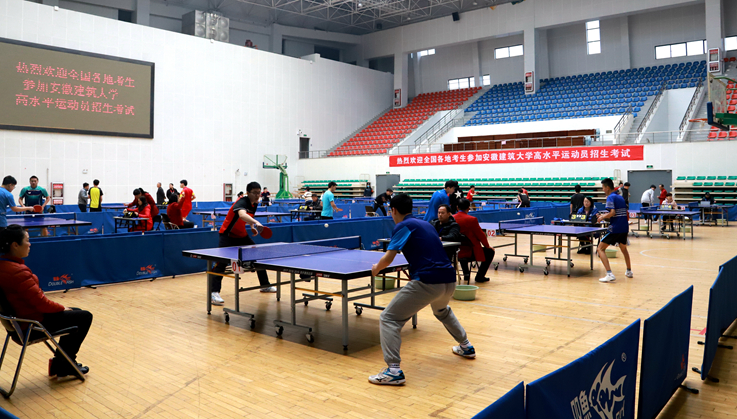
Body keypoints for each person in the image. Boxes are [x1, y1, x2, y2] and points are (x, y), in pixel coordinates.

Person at [368, 193, 474, 385]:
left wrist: (376, 268)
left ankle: (393, 371)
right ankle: (466, 346)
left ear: (393, 210)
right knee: (442, 311)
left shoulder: (403, 226)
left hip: (428, 280)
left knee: (389, 318)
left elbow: (389, 257)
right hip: (449, 279)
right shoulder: (426, 224)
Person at [0, 225, 93, 378]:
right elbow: (41, 304)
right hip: (32, 325)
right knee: (84, 316)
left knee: (76, 313)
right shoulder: (17, 272)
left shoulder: (4, 266)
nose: (30, 244)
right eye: (27, 240)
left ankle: (62, 363)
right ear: (15, 245)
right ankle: (64, 365)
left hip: (18, 324)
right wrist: (62, 307)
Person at [209, 182, 276, 305]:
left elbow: (249, 216)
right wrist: (256, 222)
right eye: (254, 193)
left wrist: (251, 226)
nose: (257, 195)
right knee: (221, 263)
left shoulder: (254, 203)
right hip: (227, 235)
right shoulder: (241, 202)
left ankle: (265, 285)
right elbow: (242, 215)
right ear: (248, 193)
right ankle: (214, 293)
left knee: (257, 256)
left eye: (259, 193)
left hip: (241, 235)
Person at [596, 178, 633, 283]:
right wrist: (605, 216)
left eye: (603, 188)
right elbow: (617, 214)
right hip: (624, 227)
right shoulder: (620, 197)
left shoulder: (610, 197)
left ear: (607, 187)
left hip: (616, 228)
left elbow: (612, 213)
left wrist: (602, 217)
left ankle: (609, 274)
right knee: (623, 249)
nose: (603, 190)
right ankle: (629, 271)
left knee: (600, 249)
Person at [455, 199, 495, 283]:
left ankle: (466, 274)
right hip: (470, 252)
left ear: (457, 207)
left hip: (455, 252)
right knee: (490, 252)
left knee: (461, 245)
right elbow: (481, 236)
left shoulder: (451, 218)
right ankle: (480, 276)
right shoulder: (472, 219)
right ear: (468, 208)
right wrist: (487, 246)